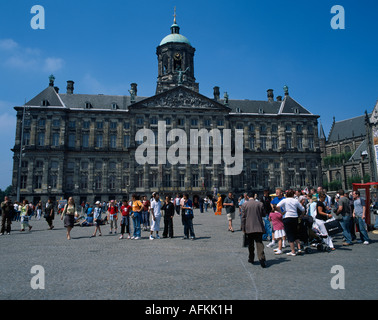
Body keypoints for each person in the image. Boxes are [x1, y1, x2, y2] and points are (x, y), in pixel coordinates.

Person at [241, 192, 266, 268]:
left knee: (250, 244)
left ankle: (251, 258)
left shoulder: (244, 205)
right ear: (254, 196)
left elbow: (243, 218)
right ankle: (261, 257)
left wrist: (243, 228)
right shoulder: (260, 204)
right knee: (259, 243)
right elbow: (264, 214)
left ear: (248, 196)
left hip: (249, 228)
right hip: (258, 227)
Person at [277, 189, 305, 256]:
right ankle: (299, 248)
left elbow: (277, 206)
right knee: (295, 233)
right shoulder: (295, 201)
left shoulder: (285, 200)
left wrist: (281, 212)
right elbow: (303, 209)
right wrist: (301, 215)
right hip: (295, 217)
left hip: (287, 217)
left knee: (290, 234)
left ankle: (293, 251)